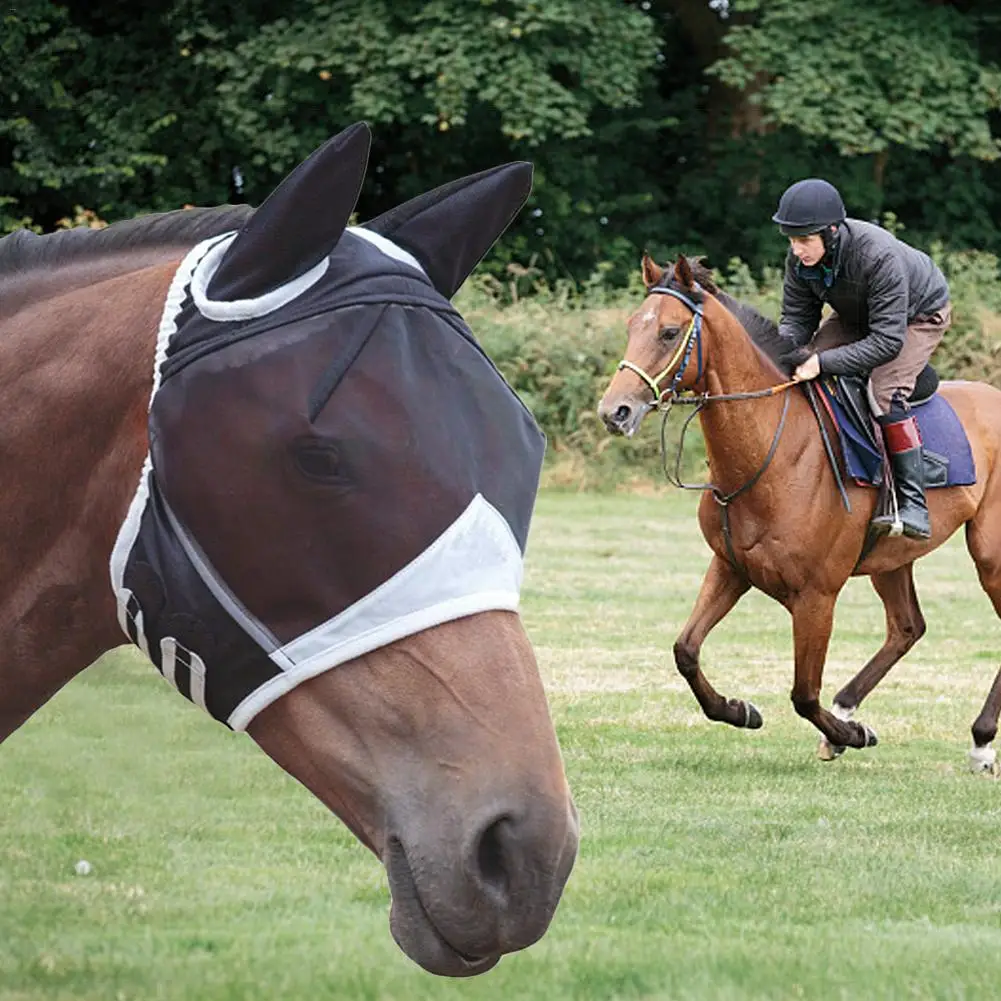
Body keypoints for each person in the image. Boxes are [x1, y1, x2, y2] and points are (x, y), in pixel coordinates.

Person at [772, 178, 952, 540]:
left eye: (804, 239)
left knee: (882, 391)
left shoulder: (877, 255)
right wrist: (781, 354)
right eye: (791, 239)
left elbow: (887, 341)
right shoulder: (800, 259)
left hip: (918, 315)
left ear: (831, 232)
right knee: (802, 367)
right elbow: (797, 320)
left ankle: (912, 503)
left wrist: (823, 363)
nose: (796, 249)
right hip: (858, 314)